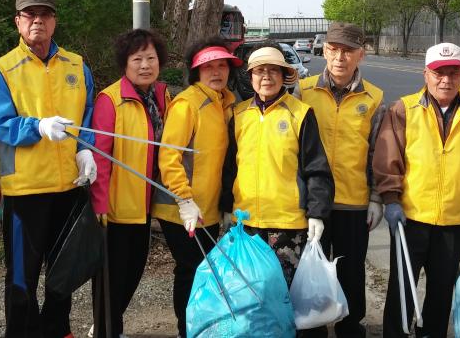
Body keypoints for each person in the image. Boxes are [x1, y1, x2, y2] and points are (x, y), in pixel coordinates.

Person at [373, 42, 460, 338]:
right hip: (411, 217)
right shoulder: (403, 110)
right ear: (426, 75)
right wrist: (391, 200)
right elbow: (387, 159)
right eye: (438, 73)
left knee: (442, 289)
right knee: (402, 287)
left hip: (455, 221)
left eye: (452, 73)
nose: (445, 80)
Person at [0, 0, 97, 338]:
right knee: (22, 274)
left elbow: (89, 114)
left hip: (69, 185)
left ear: (55, 21)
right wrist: (38, 126)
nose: (38, 20)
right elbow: (1, 124)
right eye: (30, 14)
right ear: (17, 21)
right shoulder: (3, 69)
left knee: (63, 269)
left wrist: (86, 148)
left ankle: (57, 329)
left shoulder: (77, 65)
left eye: (45, 14)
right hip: (26, 188)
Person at [220, 42, 334, 286]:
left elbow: (316, 168)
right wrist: (226, 206)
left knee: (284, 295)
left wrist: (317, 213)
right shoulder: (238, 115)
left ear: (284, 76)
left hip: (287, 225)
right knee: (249, 294)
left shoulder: (301, 113)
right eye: (260, 71)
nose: (267, 77)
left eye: (274, 70)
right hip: (246, 223)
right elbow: (230, 167)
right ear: (250, 77)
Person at [298, 22, 385, 338]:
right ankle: (313, 327)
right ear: (324, 51)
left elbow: (377, 152)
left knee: (351, 271)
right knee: (312, 271)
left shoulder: (374, 98)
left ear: (361, 55)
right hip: (311, 204)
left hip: (353, 202)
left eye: (348, 51)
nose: (340, 58)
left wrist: (376, 199)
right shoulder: (303, 90)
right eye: (333, 50)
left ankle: (350, 327)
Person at [151, 37, 242, 337]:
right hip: (182, 209)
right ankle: (185, 330)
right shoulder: (188, 103)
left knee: (204, 271)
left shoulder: (228, 103)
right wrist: (184, 199)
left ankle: (198, 326)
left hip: (210, 209)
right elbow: (169, 154)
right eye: (208, 67)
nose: (216, 72)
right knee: (190, 269)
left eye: (221, 66)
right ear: (196, 72)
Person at [89, 29, 170, 338]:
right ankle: (109, 330)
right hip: (116, 209)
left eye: (151, 58)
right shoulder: (111, 99)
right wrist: (100, 205)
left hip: (146, 204)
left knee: (134, 273)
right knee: (111, 281)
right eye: (137, 59)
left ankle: (109, 326)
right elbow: (101, 157)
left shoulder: (162, 96)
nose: (145, 65)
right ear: (125, 63)